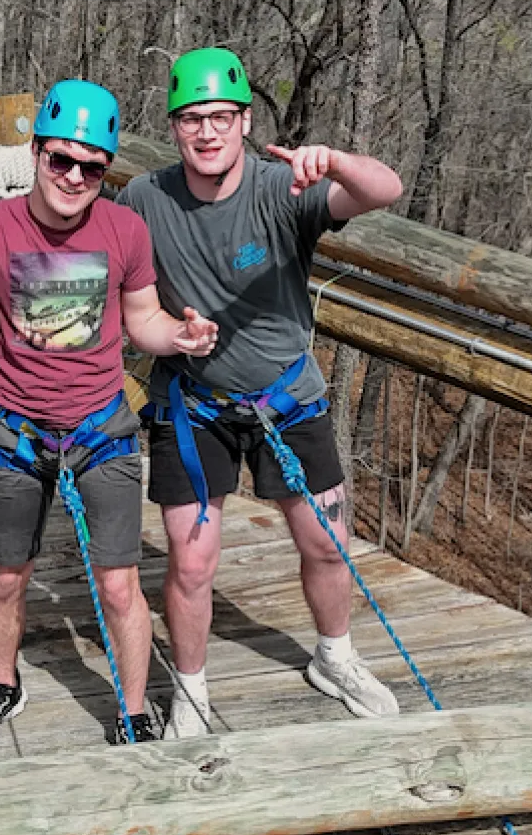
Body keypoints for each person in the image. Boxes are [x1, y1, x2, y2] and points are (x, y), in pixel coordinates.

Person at [0, 80, 217, 755]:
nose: (75, 176)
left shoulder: (125, 231)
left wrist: (182, 338)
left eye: (92, 166)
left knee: (117, 583)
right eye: (61, 160)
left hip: (100, 430)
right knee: (4, 575)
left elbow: (144, 322)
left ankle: (132, 710)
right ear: (36, 152)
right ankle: (2, 684)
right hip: (14, 433)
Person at [117, 47, 404, 736]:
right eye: (192, 119)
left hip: (287, 398)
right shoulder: (143, 200)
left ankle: (333, 657)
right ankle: (190, 689)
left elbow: (383, 189)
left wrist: (332, 162)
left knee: (327, 543)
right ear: (175, 126)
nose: (207, 131)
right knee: (191, 561)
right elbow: (119, 287)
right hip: (196, 405)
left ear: (245, 121)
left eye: (221, 116)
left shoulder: (283, 190)